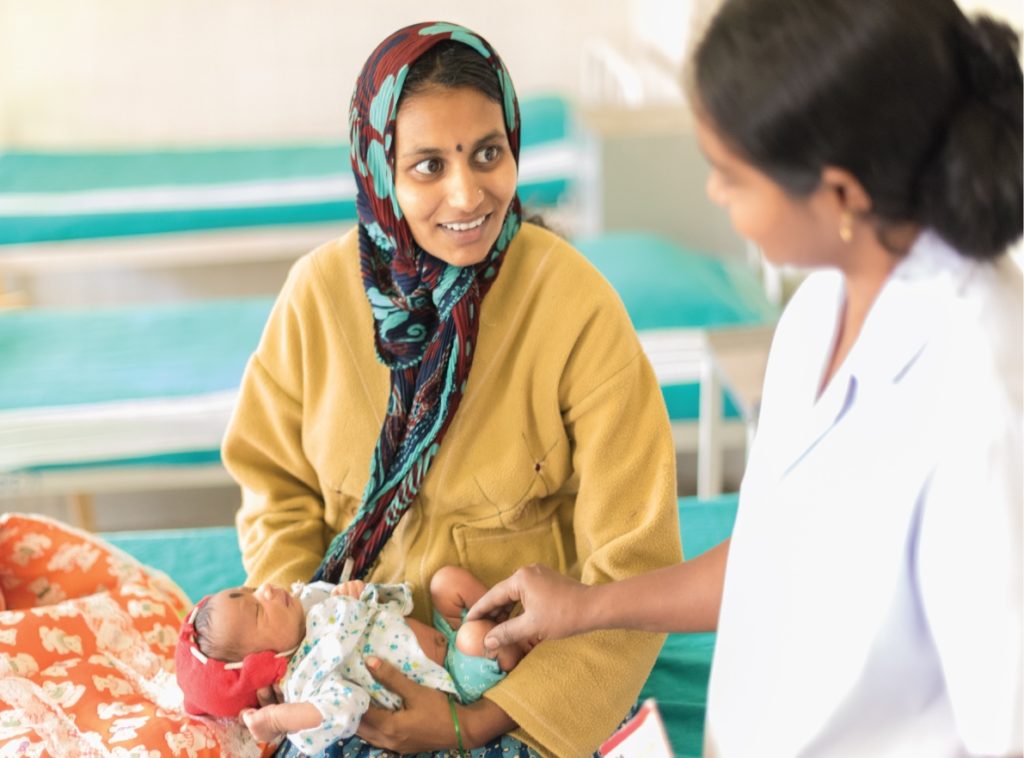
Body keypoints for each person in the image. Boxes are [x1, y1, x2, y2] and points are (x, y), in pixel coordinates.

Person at [468, 1, 1023, 755]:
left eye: (731, 175)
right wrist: (587, 607)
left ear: (840, 195)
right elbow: (777, 549)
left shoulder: (985, 398)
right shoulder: (818, 310)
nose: (714, 194)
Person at [220, 21, 681, 757]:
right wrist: (305, 644)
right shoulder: (316, 298)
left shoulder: (575, 306)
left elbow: (634, 565)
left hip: (521, 679)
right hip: (346, 672)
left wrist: (480, 720)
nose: (467, 193)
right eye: (429, 165)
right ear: (379, 171)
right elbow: (276, 491)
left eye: (487, 154)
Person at [175, 567, 527, 755]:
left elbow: (388, 605)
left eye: (250, 590)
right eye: (257, 610)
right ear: (262, 664)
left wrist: (358, 593)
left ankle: (518, 617)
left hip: (441, 633)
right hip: (451, 681)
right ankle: (525, 641)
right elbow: (344, 706)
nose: (265, 589)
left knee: (447, 581)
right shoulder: (307, 678)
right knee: (476, 638)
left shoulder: (310, 605)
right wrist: (278, 718)